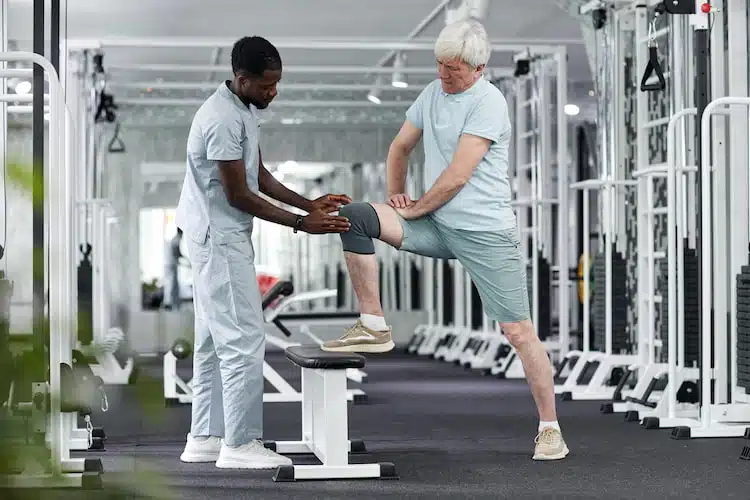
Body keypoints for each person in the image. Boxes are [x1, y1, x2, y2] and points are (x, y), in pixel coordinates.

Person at [321, 19, 569, 461]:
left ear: (478, 68)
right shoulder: (432, 94)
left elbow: (457, 177)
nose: (443, 75)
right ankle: (374, 324)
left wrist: (414, 208)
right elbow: (400, 147)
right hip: (436, 225)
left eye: (452, 69)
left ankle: (550, 428)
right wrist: (397, 194)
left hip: (486, 233)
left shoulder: (488, 102)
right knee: (355, 216)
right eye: (439, 65)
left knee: (517, 331)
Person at [175, 35, 352, 469]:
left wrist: (308, 203)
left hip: (216, 235)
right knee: (242, 340)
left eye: (277, 83)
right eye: (267, 85)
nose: (274, 91)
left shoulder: (242, 109)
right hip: (218, 238)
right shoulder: (221, 118)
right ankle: (238, 444)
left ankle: (205, 436)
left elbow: (258, 175)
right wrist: (299, 223)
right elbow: (239, 195)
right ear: (242, 79)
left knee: (214, 341)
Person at [162, 228, 183, 310]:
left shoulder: (175, 239)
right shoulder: (177, 239)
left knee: (171, 284)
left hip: (170, 264)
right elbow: (177, 253)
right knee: (172, 284)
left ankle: (170, 303)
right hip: (171, 265)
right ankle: (170, 303)